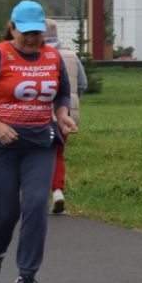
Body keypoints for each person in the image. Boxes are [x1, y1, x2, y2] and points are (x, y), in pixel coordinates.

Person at [0, 0, 76, 283]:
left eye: (36, 33)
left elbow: (62, 92)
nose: (31, 38)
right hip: (0, 146)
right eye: (24, 32)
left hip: (40, 144)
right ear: (12, 28)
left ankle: (27, 276)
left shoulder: (52, 58)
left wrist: (63, 115)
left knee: (36, 205)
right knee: (5, 212)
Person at [42, 19, 87, 213]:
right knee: (58, 154)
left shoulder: (37, 55)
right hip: (66, 113)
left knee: (36, 155)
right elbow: (83, 84)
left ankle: (35, 192)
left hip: (39, 113)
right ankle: (58, 190)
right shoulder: (71, 55)